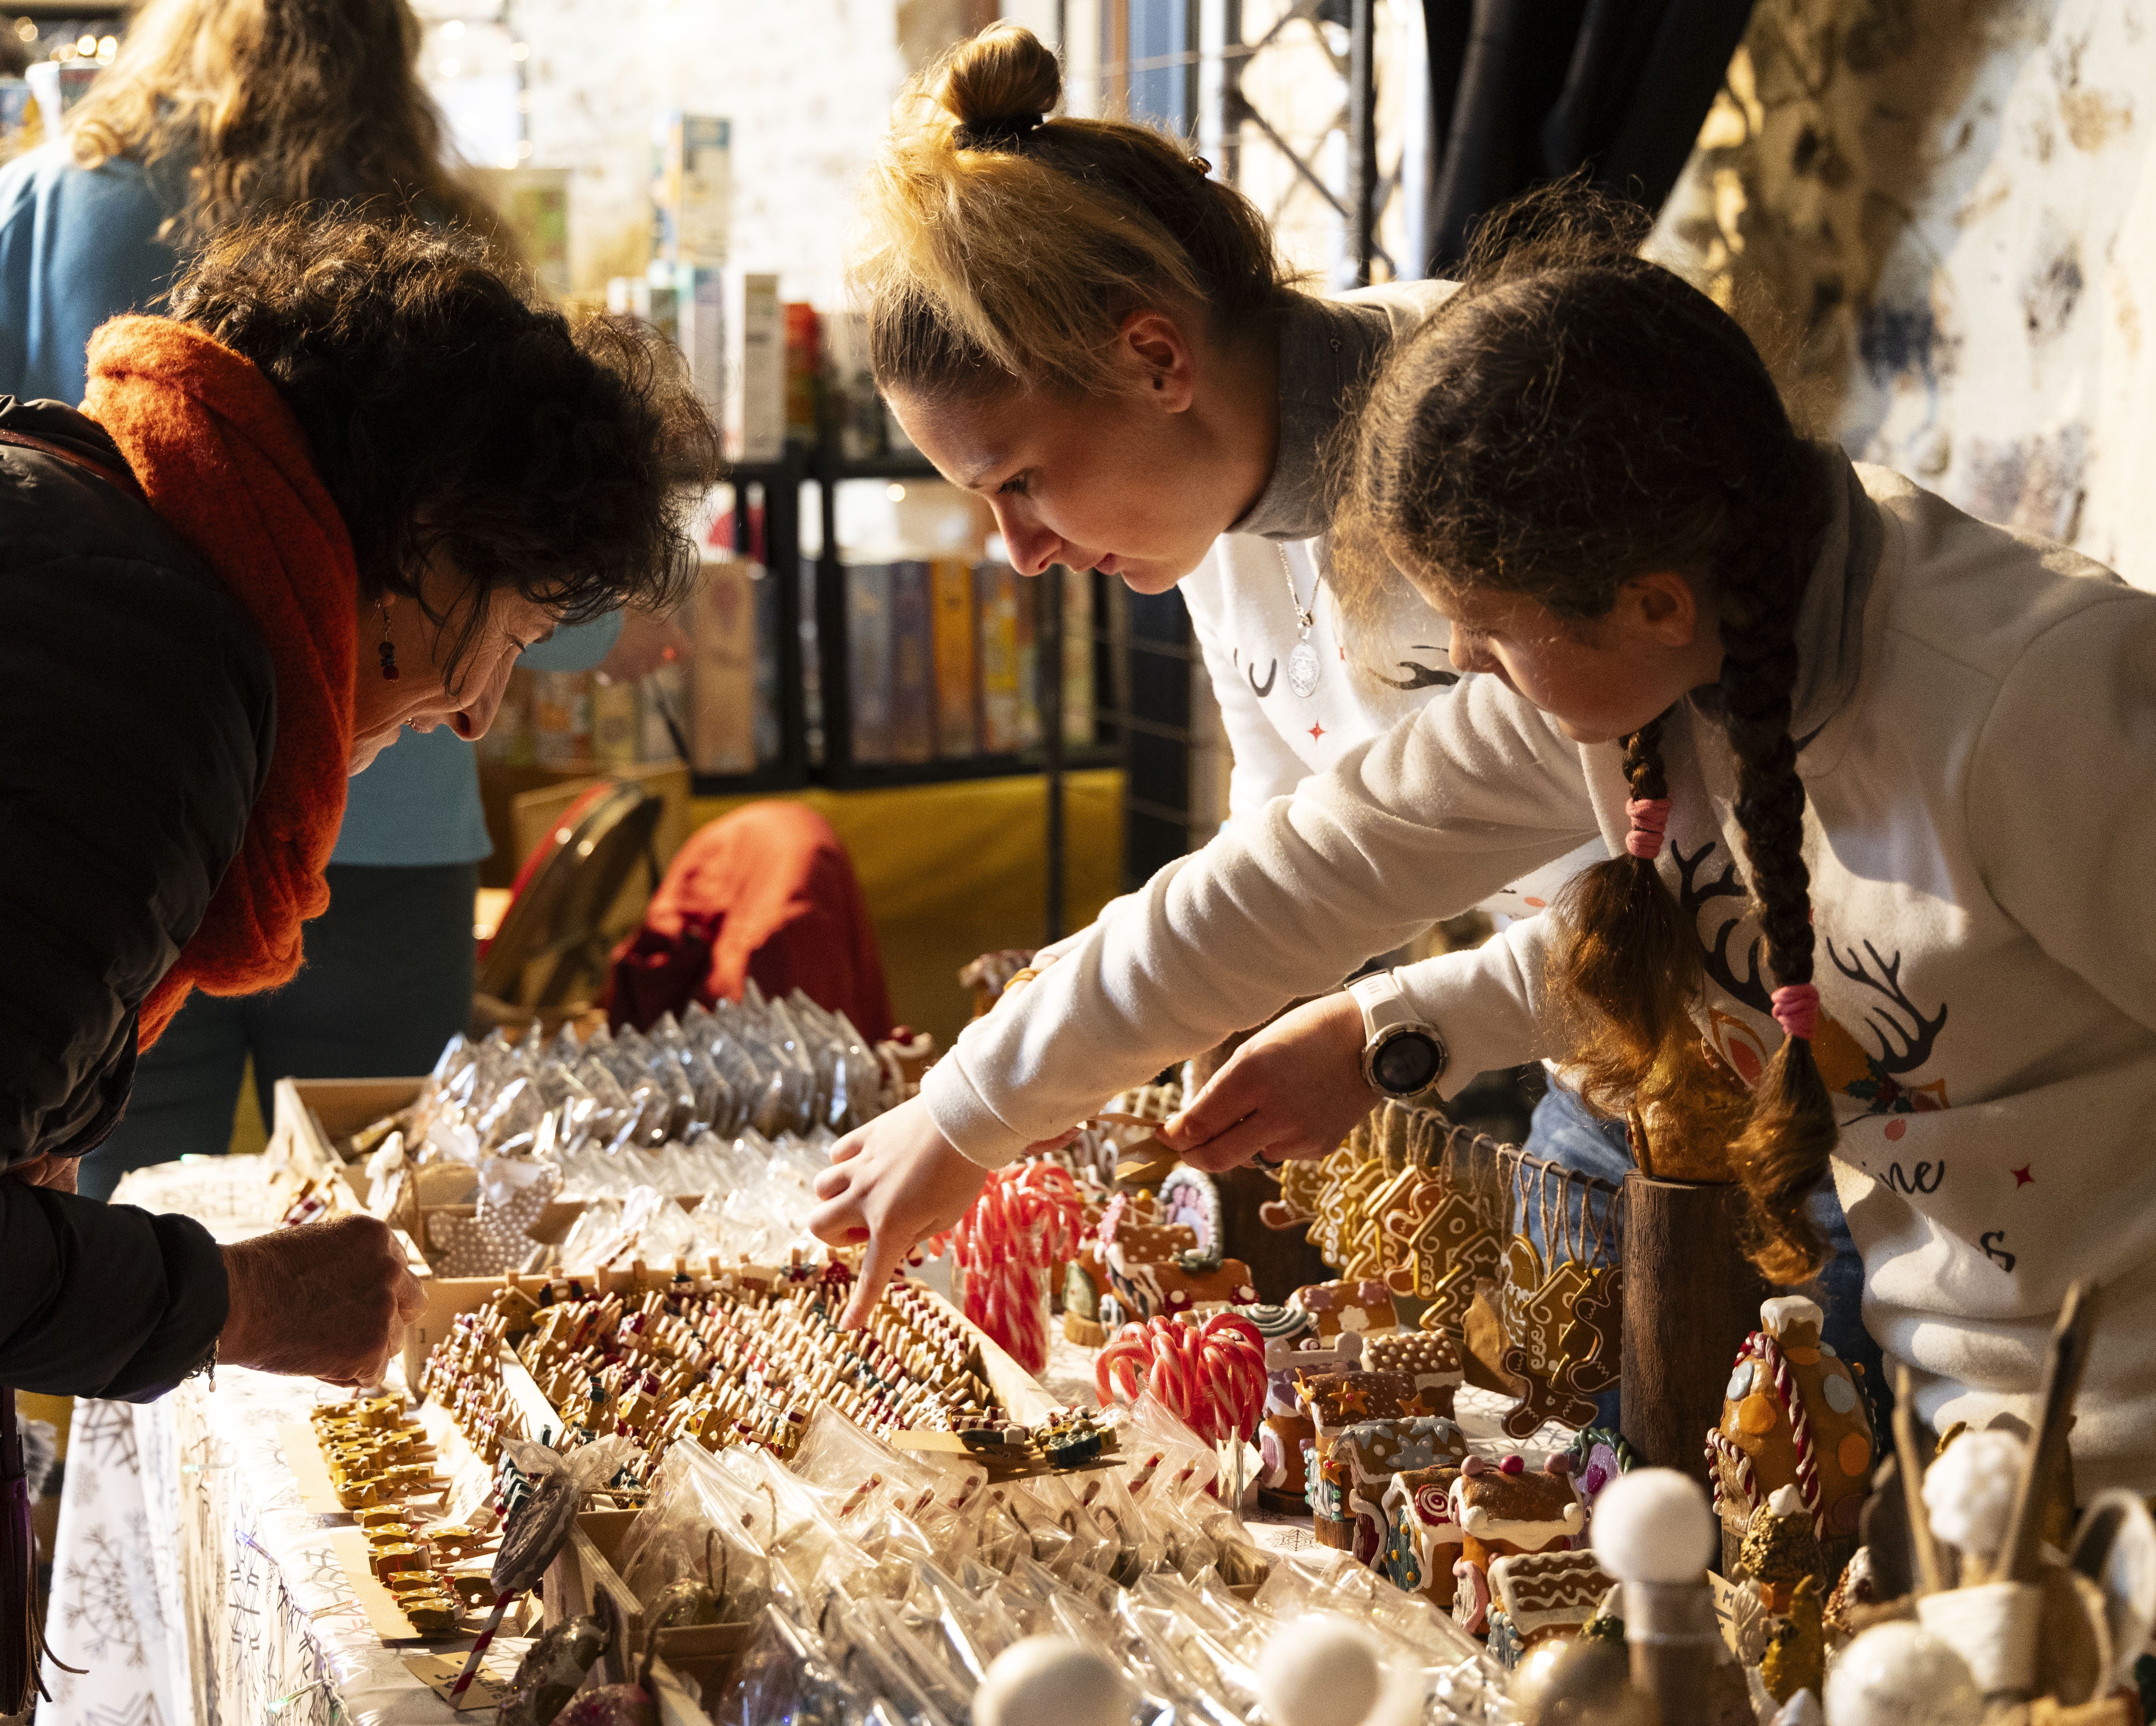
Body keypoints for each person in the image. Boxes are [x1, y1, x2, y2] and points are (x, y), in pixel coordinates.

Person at [812, 195, 2156, 1493]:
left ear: (1652, 601)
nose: (1460, 665)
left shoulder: (2035, 702)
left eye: (1488, 631)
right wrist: (967, 1113)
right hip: (1975, 1436)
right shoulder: (1649, 664)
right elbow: (1294, 875)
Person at [0, 209, 715, 1395]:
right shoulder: (147, 668)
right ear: (429, 538)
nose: (482, 712)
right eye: (518, 631)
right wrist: (248, 1303)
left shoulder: (87, 512)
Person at [0, 0, 677, 1196]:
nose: (482, 710)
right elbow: (527, 537)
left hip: (81, 761)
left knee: (111, 1175)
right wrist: (614, 634)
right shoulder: (438, 226)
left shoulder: (55, 199)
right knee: (388, 1199)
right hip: (349, 819)